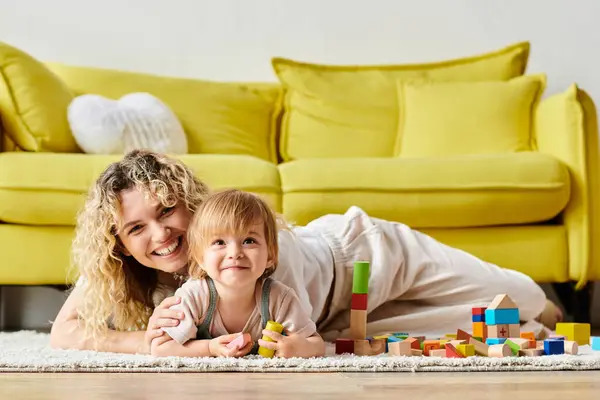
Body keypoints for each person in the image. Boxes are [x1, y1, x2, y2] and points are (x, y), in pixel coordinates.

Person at [50, 150, 557, 354]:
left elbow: (246, 347)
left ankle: (551, 306)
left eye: (166, 212)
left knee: (527, 301)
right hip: (332, 317)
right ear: (117, 241)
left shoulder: (230, 245)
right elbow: (63, 332)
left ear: (189, 205)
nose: (159, 235)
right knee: (428, 339)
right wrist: (145, 341)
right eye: (137, 227)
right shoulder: (118, 259)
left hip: (367, 255)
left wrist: (174, 345)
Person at [151, 188, 325, 358]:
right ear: (200, 258)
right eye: (219, 242)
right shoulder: (194, 296)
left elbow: (317, 344)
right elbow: (161, 348)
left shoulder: (279, 298)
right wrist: (209, 347)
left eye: (249, 241)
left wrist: (298, 348)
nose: (235, 253)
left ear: (270, 255)